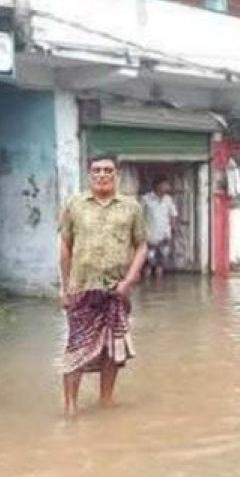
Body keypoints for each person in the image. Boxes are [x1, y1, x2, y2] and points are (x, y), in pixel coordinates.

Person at [58, 154, 148, 415]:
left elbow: (141, 244)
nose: (102, 175)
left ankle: (106, 400)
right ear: (89, 174)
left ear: (116, 174)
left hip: (116, 289)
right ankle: (70, 408)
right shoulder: (75, 204)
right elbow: (64, 246)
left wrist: (129, 281)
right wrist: (64, 288)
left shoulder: (131, 207)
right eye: (96, 170)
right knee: (76, 347)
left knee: (112, 346)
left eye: (108, 170)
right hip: (81, 288)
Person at [141, 176, 179, 281]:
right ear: (157, 186)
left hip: (164, 236)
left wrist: (174, 229)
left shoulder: (168, 200)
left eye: (167, 185)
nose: (167, 187)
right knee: (149, 263)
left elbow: (173, 215)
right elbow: (139, 216)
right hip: (149, 236)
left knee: (161, 262)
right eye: (165, 184)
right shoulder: (146, 199)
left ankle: (158, 286)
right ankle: (147, 284)